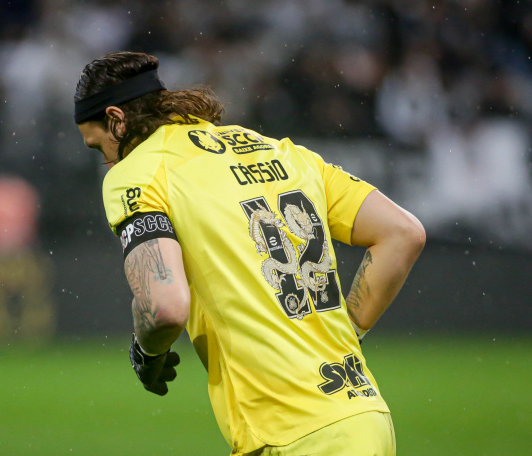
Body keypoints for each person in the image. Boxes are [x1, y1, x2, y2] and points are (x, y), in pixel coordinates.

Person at [74, 51, 425, 456]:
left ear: (117, 119)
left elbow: (165, 305)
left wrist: (147, 351)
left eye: (98, 145)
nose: (105, 161)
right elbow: (403, 233)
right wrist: (348, 334)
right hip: (362, 418)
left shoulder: (137, 173)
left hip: (287, 432)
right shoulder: (284, 153)